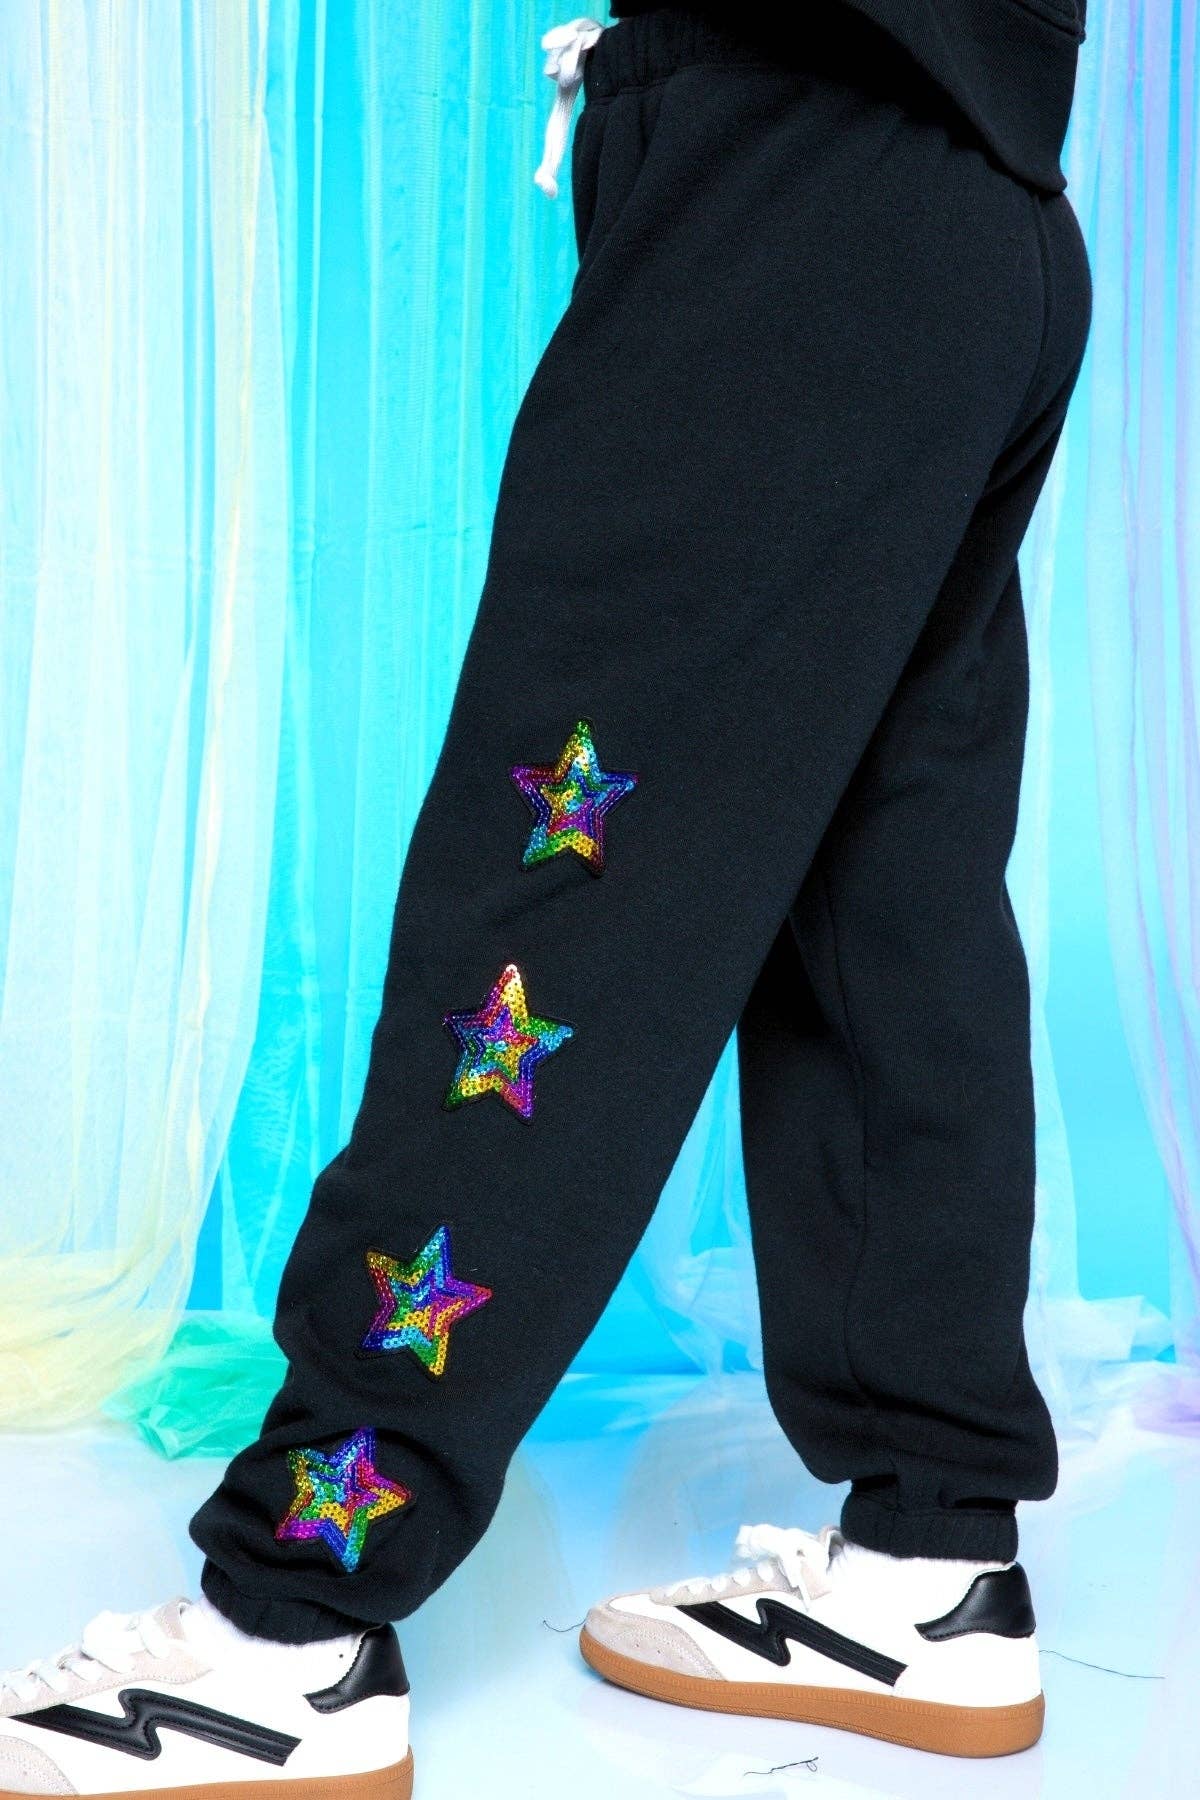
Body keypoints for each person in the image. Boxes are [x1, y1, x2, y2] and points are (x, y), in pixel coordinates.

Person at [0, 0, 1092, 1791]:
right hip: (978, 202)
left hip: (792, 190)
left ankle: (292, 1628)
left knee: (548, 910)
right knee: (885, 899)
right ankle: (934, 1556)